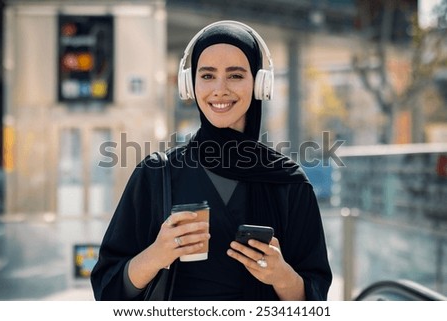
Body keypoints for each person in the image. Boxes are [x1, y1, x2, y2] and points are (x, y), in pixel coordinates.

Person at [91, 20, 332, 301]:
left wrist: (282, 277)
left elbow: (315, 301)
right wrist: (156, 255)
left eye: (235, 75)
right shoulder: (156, 174)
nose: (219, 89)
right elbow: (107, 290)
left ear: (259, 84)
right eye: (207, 76)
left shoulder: (290, 182)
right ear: (189, 85)